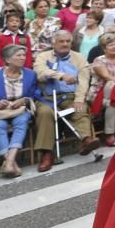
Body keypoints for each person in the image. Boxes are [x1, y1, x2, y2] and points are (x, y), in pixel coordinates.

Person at [32, 30, 99, 171]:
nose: (65, 44)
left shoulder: (79, 57)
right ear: (53, 43)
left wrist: (80, 98)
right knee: (44, 113)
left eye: (68, 41)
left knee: (80, 108)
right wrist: (61, 76)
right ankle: (46, 153)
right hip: (47, 98)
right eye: (61, 41)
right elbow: (40, 73)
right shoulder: (43, 56)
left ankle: (86, 140)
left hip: (70, 96)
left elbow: (84, 80)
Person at [0, 44, 38, 178]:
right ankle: (11, 163)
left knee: (22, 120)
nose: (23, 58)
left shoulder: (30, 74)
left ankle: (9, 162)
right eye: (18, 55)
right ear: (7, 59)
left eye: (24, 55)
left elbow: (36, 93)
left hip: (19, 110)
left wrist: (24, 100)